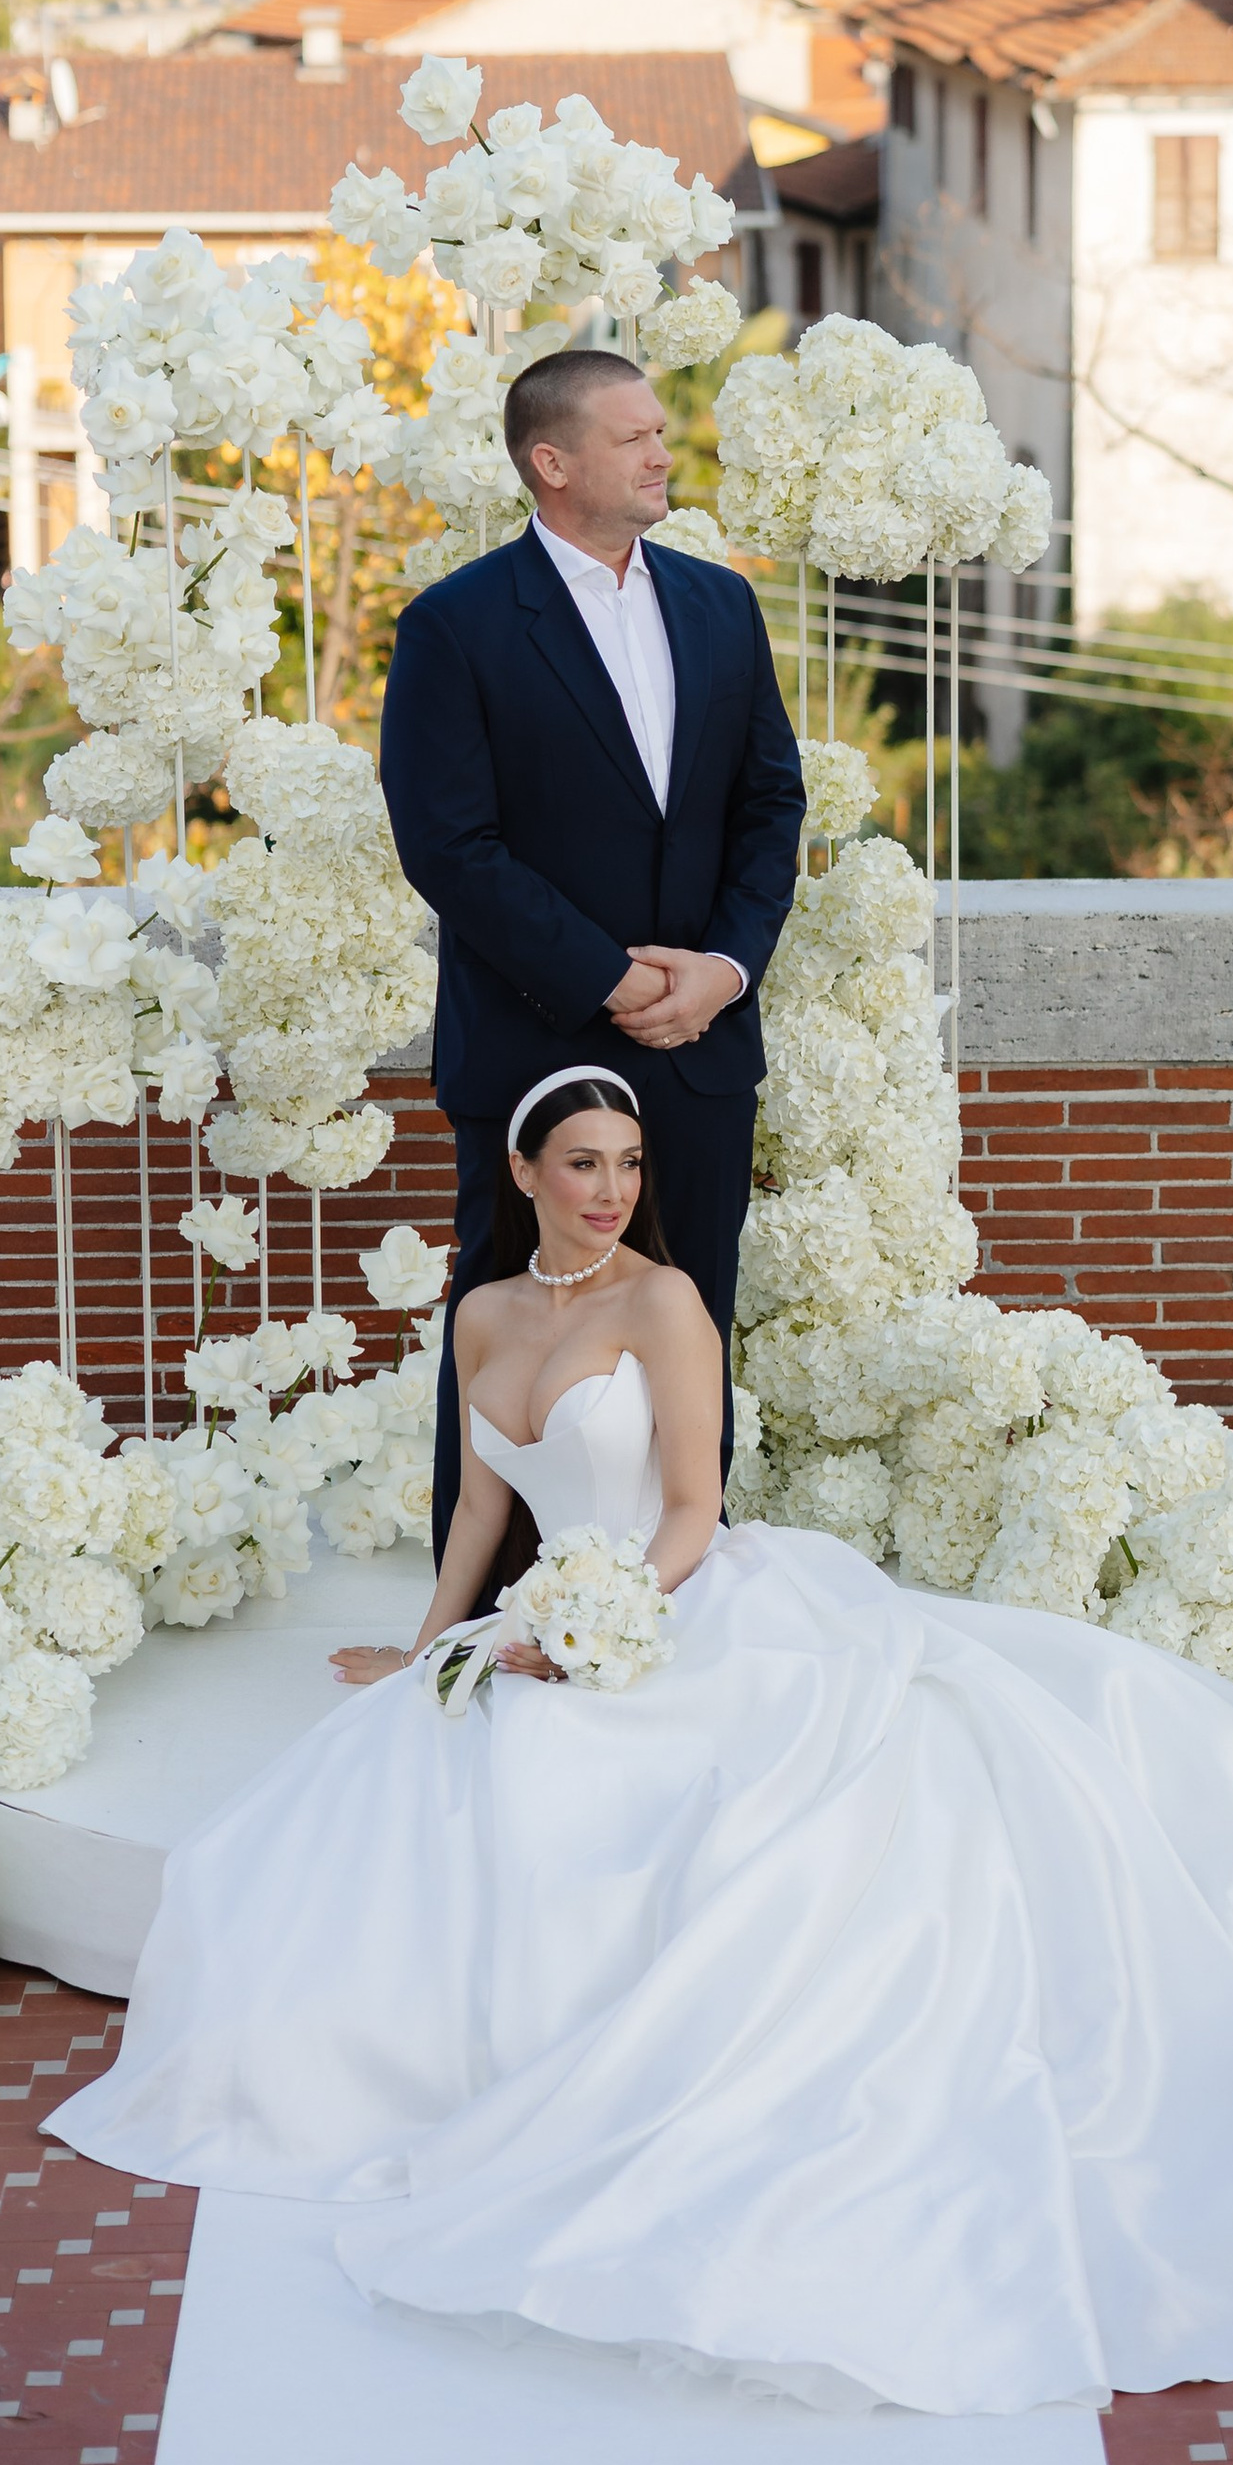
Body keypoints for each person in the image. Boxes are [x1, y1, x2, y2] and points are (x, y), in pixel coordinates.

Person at [49, 1078, 1233, 2418]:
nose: (612, 1187)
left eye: (628, 1161)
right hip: (543, 1609)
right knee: (369, 1798)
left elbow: (687, 1509)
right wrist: (434, 1650)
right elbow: (483, 1500)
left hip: (676, 1603)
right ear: (524, 1167)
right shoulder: (481, 1313)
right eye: (584, 1162)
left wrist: (598, 1615)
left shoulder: (671, 1304)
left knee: (643, 1794)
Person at [378, 344, 805, 1562]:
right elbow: (449, 847)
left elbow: (771, 802)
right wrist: (611, 980)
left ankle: (680, 1601)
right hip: (535, 1049)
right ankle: (492, 1621)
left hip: (705, 1045)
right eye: (635, 436)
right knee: (515, 1333)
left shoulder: (719, 602)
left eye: (661, 431)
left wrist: (720, 970)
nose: (664, 452)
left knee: (694, 1324)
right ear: (551, 462)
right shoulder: (455, 627)